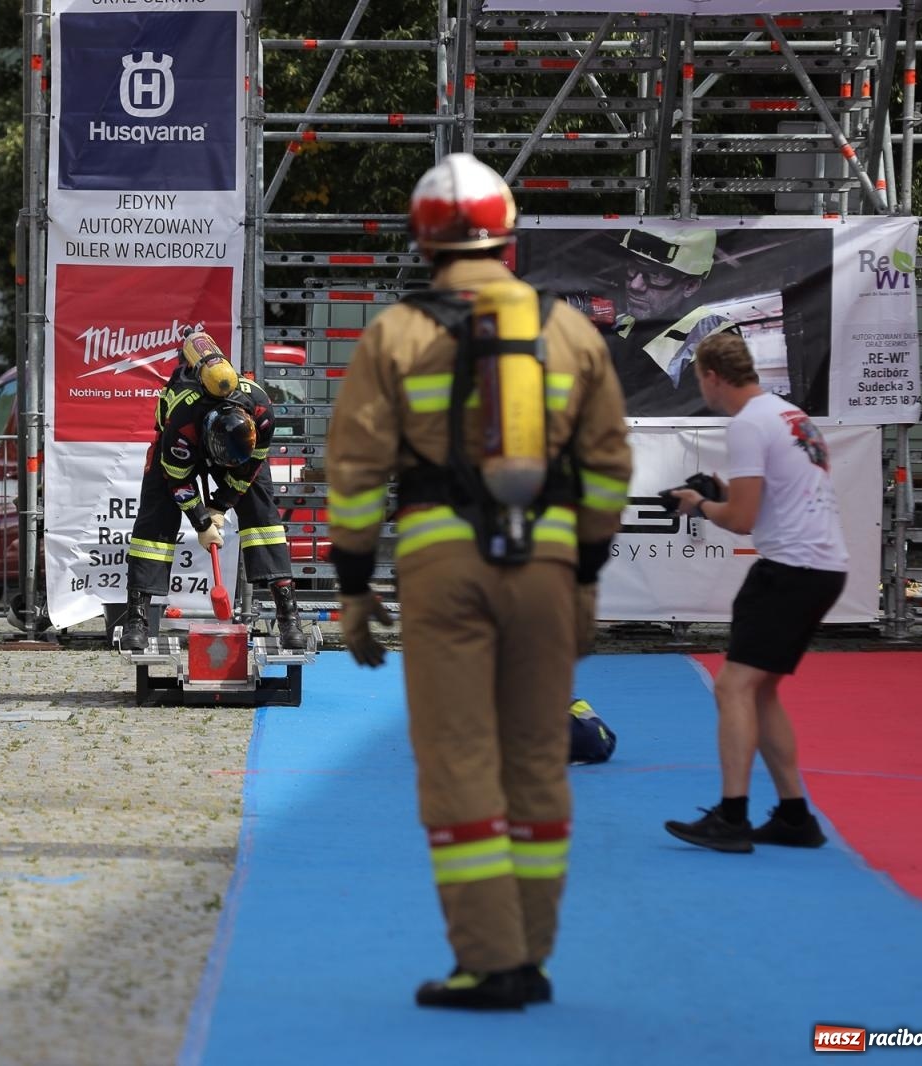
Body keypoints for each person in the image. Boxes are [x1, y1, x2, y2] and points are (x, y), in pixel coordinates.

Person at [326, 154, 632, 1010]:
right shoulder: (569, 331)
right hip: (549, 567)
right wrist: (586, 575)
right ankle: (531, 957)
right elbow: (607, 465)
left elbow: (354, 472)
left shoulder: (395, 332)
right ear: (508, 232)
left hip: (441, 568)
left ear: (425, 237)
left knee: (459, 758)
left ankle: (488, 962)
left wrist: (354, 588)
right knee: (539, 757)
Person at [663, 332, 846, 853]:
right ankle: (793, 815)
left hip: (791, 567)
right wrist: (717, 492)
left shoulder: (746, 425)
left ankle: (733, 815)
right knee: (759, 690)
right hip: (818, 565)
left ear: (712, 377)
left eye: (700, 378)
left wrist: (698, 505)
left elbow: (742, 520)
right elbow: (779, 494)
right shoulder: (788, 415)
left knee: (733, 688)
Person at [123, 329, 305, 652]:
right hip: (184, 451)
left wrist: (221, 504)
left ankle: (289, 614)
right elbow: (178, 479)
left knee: (263, 514)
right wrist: (202, 522)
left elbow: (250, 468)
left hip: (237, 453)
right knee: (155, 520)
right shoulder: (182, 424)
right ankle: (137, 617)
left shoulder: (261, 415)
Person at [603, 226, 731, 417]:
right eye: (632, 269)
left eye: (655, 275)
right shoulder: (622, 322)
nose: (635, 285)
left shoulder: (715, 338)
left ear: (690, 285)